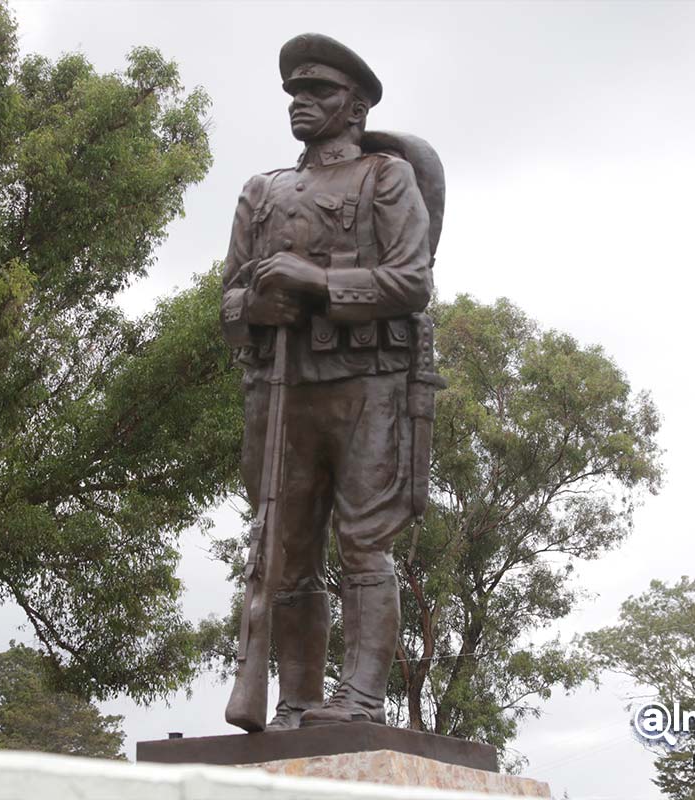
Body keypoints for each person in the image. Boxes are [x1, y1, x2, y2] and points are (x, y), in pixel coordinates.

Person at [220, 32, 434, 728]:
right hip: (280, 389)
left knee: (364, 545)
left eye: (319, 93)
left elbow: (411, 281)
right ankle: (296, 700)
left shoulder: (385, 179)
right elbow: (227, 300)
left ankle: (361, 698)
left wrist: (315, 283)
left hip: (366, 385)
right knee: (283, 550)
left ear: (358, 106)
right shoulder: (263, 191)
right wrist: (256, 304)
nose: (301, 104)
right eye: (295, 94)